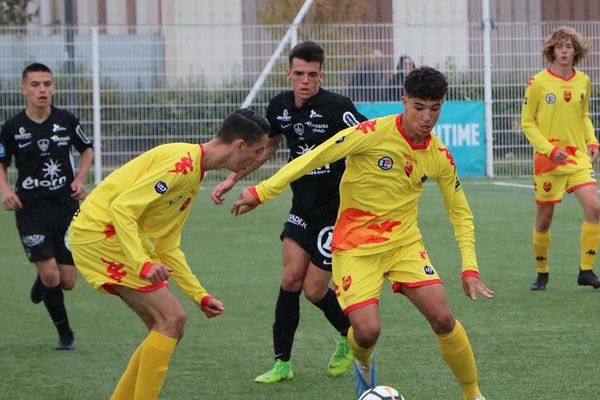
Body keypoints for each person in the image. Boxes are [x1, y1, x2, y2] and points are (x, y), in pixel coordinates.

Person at [231, 66, 493, 400]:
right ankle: (364, 364)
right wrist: (262, 192)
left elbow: (460, 212)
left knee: (443, 318)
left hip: (404, 245)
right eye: (419, 107)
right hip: (355, 246)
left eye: (435, 108)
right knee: (367, 333)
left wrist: (469, 266)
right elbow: (314, 157)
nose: (427, 118)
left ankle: (473, 394)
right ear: (404, 102)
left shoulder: (439, 155)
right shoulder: (371, 133)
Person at [68, 108, 269, 399]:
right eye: (259, 150)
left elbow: (167, 245)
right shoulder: (181, 165)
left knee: (162, 327)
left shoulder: (193, 172)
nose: (259, 159)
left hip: (105, 234)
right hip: (100, 234)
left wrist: (200, 295)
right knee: (172, 320)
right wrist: (143, 263)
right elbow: (122, 209)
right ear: (240, 146)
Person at [211, 40, 367, 383]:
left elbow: (369, 138)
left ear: (321, 75)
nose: (306, 80)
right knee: (289, 279)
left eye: (312, 74)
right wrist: (231, 180)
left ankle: (348, 334)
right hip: (301, 208)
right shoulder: (279, 107)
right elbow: (264, 148)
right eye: (299, 74)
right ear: (289, 74)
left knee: (314, 290)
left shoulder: (337, 107)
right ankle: (282, 363)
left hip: (334, 213)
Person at [0, 62, 94, 350]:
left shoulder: (66, 121)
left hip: (65, 208)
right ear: (24, 89)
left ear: (53, 87)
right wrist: (5, 190)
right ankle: (65, 334)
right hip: (30, 211)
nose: (42, 90)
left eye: (47, 84)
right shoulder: (12, 128)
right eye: (36, 85)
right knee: (52, 273)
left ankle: (42, 283)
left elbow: (86, 149)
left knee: (67, 281)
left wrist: (80, 179)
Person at [521, 26, 600, 291]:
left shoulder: (583, 81)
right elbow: (527, 122)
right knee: (544, 219)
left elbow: (583, 116)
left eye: (569, 47)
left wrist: (592, 142)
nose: (564, 51)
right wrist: (549, 149)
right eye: (559, 47)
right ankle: (542, 273)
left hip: (577, 159)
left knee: (595, 208)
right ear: (551, 51)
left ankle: (586, 271)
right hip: (548, 161)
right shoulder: (538, 82)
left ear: (576, 51)